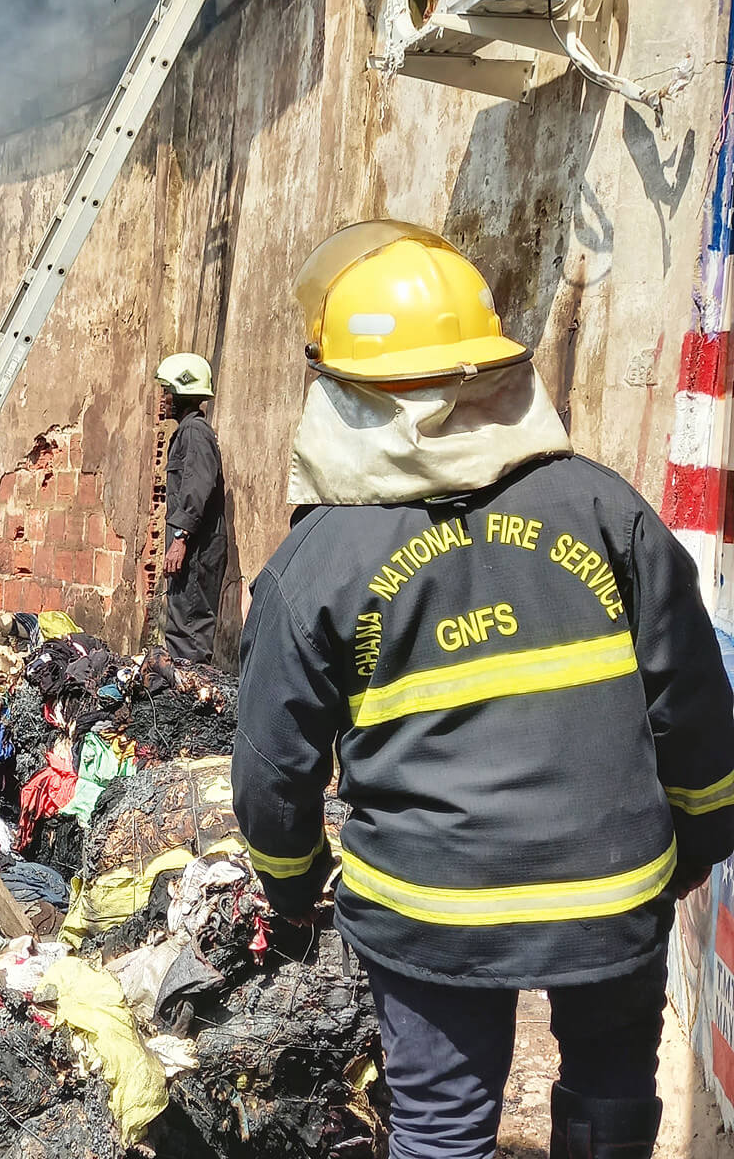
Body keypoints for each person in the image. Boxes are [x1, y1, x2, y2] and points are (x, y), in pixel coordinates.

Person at [231, 220, 734, 1159]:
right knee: (613, 1085)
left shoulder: (318, 560)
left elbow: (272, 764)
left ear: (345, 393)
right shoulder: (603, 507)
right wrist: (701, 839)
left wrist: (293, 886)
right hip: (613, 888)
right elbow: (694, 704)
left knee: (440, 1124)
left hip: (432, 909)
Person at [156, 352, 227, 664]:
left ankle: (192, 703)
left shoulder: (195, 432)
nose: (163, 399)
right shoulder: (185, 432)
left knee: (189, 631)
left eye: (167, 392)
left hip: (195, 552)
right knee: (181, 626)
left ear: (182, 394)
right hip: (191, 551)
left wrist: (180, 539)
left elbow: (198, 485)